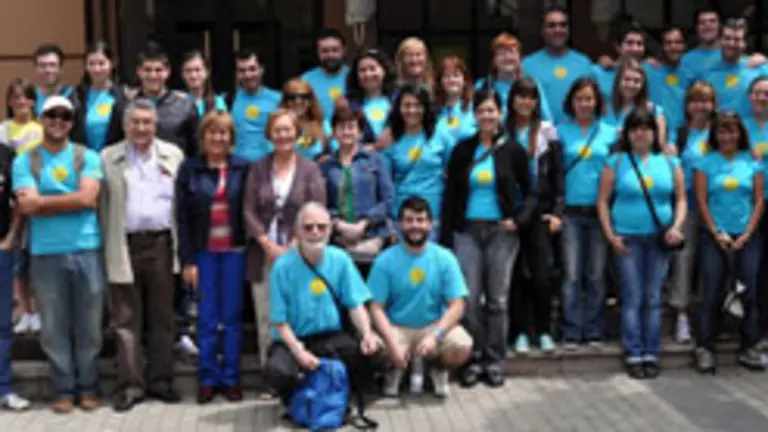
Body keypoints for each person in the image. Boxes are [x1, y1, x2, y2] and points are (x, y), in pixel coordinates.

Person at [13, 96, 104, 413]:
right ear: (40, 118)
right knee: (53, 327)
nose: (57, 120)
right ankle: (64, 388)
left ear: (72, 121)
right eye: (51, 114)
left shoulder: (88, 156)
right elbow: (26, 205)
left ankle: (89, 386)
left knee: (89, 326)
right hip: (44, 254)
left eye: (64, 115)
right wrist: (72, 198)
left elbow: (89, 199)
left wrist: (44, 203)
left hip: (86, 250)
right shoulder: (24, 160)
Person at [440, 87, 533, 388]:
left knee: (498, 300)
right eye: (481, 111)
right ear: (475, 115)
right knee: (470, 298)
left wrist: (518, 221)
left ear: (500, 114)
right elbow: (451, 194)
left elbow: (531, 194)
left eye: (492, 110)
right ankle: (473, 358)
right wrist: (447, 234)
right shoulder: (463, 150)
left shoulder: (513, 150)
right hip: (467, 230)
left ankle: (495, 359)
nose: (487, 116)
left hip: (500, 233)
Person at [100, 99, 185, 412]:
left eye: (147, 122)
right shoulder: (108, 158)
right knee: (125, 319)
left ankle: (161, 381)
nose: (141, 128)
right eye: (135, 122)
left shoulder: (173, 155)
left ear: (156, 124)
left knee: (162, 317)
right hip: (124, 243)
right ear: (125, 125)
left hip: (162, 244)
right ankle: (130, 385)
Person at [597, 107, 686, 379]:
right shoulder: (617, 161)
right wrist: (611, 235)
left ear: (654, 132)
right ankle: (634, 351)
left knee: (653, 297)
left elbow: (681, 199)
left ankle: (652, 351)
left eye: (646, 128)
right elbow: (602, 201)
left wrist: (676, 227)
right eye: (635, 128)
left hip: (659, 239)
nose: (640, 133)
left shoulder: (670, 162)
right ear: (627, 132)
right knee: (633, 297)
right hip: (628, 238)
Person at [262, 201, 380, 405]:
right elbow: (280, 323)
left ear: (330, 229)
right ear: (297, 231)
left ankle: (342, 394)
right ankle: (295, 400)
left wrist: (367, 333)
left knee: (375, 351)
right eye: (308, 227)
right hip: (294, 338)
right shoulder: (282, 267)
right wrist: (299, 352)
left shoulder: (341, 259)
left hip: (331, 335)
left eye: (321, 227)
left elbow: (355, 304)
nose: (315, 232)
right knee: (277, 371)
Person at [243, 109, 327, 372]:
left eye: (287, 129)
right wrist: (267, 244)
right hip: (263, 252)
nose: (283, 135)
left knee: (298, 312)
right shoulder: (258, 168)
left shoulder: (310, 169)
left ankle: (302, 368)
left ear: (297, 133)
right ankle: (272, 372)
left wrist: (293, 243)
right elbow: (247, 210)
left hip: (300, 253)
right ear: (270, 135)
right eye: (277, 130)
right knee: (267, 314)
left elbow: (317, 207)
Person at [176, 111, 249, 404]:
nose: (218, 138)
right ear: (203, 137)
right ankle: (207, 378)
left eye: (224, 133)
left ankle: (230, 378)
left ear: (231, 138)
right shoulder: (189, 169)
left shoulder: (243, 168)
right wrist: (187, 259)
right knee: (206, 319)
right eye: (212, 132)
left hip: (234, 252)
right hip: (204, 253)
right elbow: (181, 218)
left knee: (231, 319)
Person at [369, 196, 472, 398]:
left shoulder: (445, 258)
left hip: (432, 326)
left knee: (462, 345)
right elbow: (375, 307)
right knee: (374, 348)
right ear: (399, 224)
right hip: (397, 327)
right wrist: (391, 341)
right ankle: (394, 369)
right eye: (409, 220)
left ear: (430, 224)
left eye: (420, 220)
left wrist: (437, 336)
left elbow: (457, 305)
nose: (415, 226)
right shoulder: (385, 260)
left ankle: (437, 368)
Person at [694, 112, 765, 373]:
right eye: (722, 131)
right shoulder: (705, 164)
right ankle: (705, 347)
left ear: (740, 134)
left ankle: (750, 346)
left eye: (732, 131)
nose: (727, 136)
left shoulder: (753, 163)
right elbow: (702, 202)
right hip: (715, 237)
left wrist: (747, 233)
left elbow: (758, 200)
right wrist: (716, 232)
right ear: (715, 135)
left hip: (747, 235)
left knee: (750, 291)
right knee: (711, 291)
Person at [506, 78, 563, 354]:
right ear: (512, 99)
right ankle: (519, 333)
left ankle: (543, 331)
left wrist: (557, 213)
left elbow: (557, 175)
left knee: (542, 276)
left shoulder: (547, 131)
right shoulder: (504, 131)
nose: (525, 102)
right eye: (521, 96)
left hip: (540, 214)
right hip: (511, 214)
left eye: (531, 97)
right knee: (517, 276)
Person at [557, 78, 615, 349]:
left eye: (589, 98)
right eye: (580, 98)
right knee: (571, 274)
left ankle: (593, 328)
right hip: (570, 212)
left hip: (600, 212)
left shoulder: (610, 133)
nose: (584, 104)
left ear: (597, 102)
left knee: (595, 274)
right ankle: (571, 329)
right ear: (571, 102)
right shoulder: (560, 132)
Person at [666, 81, 717, 344]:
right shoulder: (680, 134)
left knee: (711, 263)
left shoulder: (719, 133)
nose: (701, 106)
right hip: (686, 206)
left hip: (716, 206)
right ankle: (682, 315)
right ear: (688, 106)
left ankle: (711, 316)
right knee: (683, 261)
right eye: (696, 100)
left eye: (706, 100)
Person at [320, 106, 393, 271]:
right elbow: (321, 203)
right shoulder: (325, 166)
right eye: (341, 127)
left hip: (371, 237)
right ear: (334, 132)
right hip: (337, 240)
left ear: (360, 132)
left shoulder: (376, 161)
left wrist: (364, 223)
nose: (346, 132)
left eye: (351, 127)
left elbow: (388, 200)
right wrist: (338, 224)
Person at [380, 84, 454, 231]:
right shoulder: (390, 139)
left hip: (434, 215)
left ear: (426, 108)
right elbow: (386, 182)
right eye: (407, 105)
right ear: (399, 108)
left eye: (417, 105)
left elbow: (452, 172)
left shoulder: (440, 135)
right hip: (401, 216)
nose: (412, 110)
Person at [0, 78, 42, 335]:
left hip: (39, 200)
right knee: (18, 260)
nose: (20, 102)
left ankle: (39, 310)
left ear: (33, 101)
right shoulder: (4, 129)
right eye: (15, 98)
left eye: (25, 97)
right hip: (13, 202)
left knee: (37, 258)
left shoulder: (42, 128)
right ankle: (25, 311)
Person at [522, 6, 593, 123]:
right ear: (542, 30)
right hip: (539, 133)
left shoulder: (584, 63)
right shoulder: (527, 65)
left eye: (563, 25)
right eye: (551, 25)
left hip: (576, 133)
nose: (558, 30)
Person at [0, 137, 30, 411]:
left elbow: (18, 200)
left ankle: (4, 388)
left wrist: (11, 237)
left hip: (1, 250)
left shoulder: (7, 153)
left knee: (2, 325)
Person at [131, 43, 199, 157]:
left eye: (158, 70)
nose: (153, 75)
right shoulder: (127, 105)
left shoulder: (185, 106)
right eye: (147, 70)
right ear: (139, 72)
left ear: (167, 72)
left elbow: (196, 150)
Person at [695, 18, 768, 118]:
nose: (731, 43)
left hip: (751, 131)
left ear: (744, 44)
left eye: (737, 39)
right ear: (720, 40)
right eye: (727, 38)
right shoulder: (707, 72)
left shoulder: (760, 68)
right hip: (719, 131)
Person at [475, 32, 552, 123]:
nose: (507, 57)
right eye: (502, 53)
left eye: (512, 52)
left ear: (520, 57)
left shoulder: (532, 85)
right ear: (494, 60)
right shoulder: (482, 86)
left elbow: (547, 120)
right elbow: (473, 120)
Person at [71, 41, 126, 151]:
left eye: (101, 63)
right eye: (91, 64)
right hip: (84, 160)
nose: (97, 69)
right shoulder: (77, 95)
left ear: (112, 64)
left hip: (114, 159)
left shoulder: (124, 96)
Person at [229, 49, 282, 162]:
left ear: (261, 69)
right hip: (238, 167)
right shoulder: (229, 99)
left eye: (252, 69)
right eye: (242, 71)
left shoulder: (278, 99)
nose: (248, 75)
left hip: (269, 166)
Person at [605, 58, 667, 143]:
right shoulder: (604, 109)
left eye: (637, 81)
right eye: (626, 79)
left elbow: (659, 145)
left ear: (643, 85)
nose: (631, 84)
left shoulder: (654, 111)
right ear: (618, 81)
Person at [343, 48, 396, 139]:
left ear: (384, 71)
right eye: (362, 70)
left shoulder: (398, 99)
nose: (368, 74)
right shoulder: (347, 103)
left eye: (372, 69)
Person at [301, 29, 350, 120]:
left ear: (344, 51)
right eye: (324, 51)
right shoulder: (306, 80)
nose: (330, 55)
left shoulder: (354, 76)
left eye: (335, 50)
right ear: (317, 53)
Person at [279, 78, 326, 160]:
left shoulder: (321, 123)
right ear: (285, 101)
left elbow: (338, 148)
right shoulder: (277, 125)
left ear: (311, 100)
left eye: (304, 97)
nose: (298, 101)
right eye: (292, 97)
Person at [434, 56, 477, 144]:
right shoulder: (433, 111)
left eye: (456, 75)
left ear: (464, 80)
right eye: (446, 76)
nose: (452, 80)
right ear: (440, 81)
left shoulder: (475, 108)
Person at [32, 43, 76, 116]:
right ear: (36, 68)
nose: (47, 70)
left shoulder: (74, 96)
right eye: (42, 65)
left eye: (52, 65)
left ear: (61, 68)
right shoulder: (31, 98)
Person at [181, 49, 227, 118]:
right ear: (182, 74)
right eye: (188, 71)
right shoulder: (177, 101)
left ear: (207, 72)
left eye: (197, 70)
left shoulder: (217, 102)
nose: (193, 75)